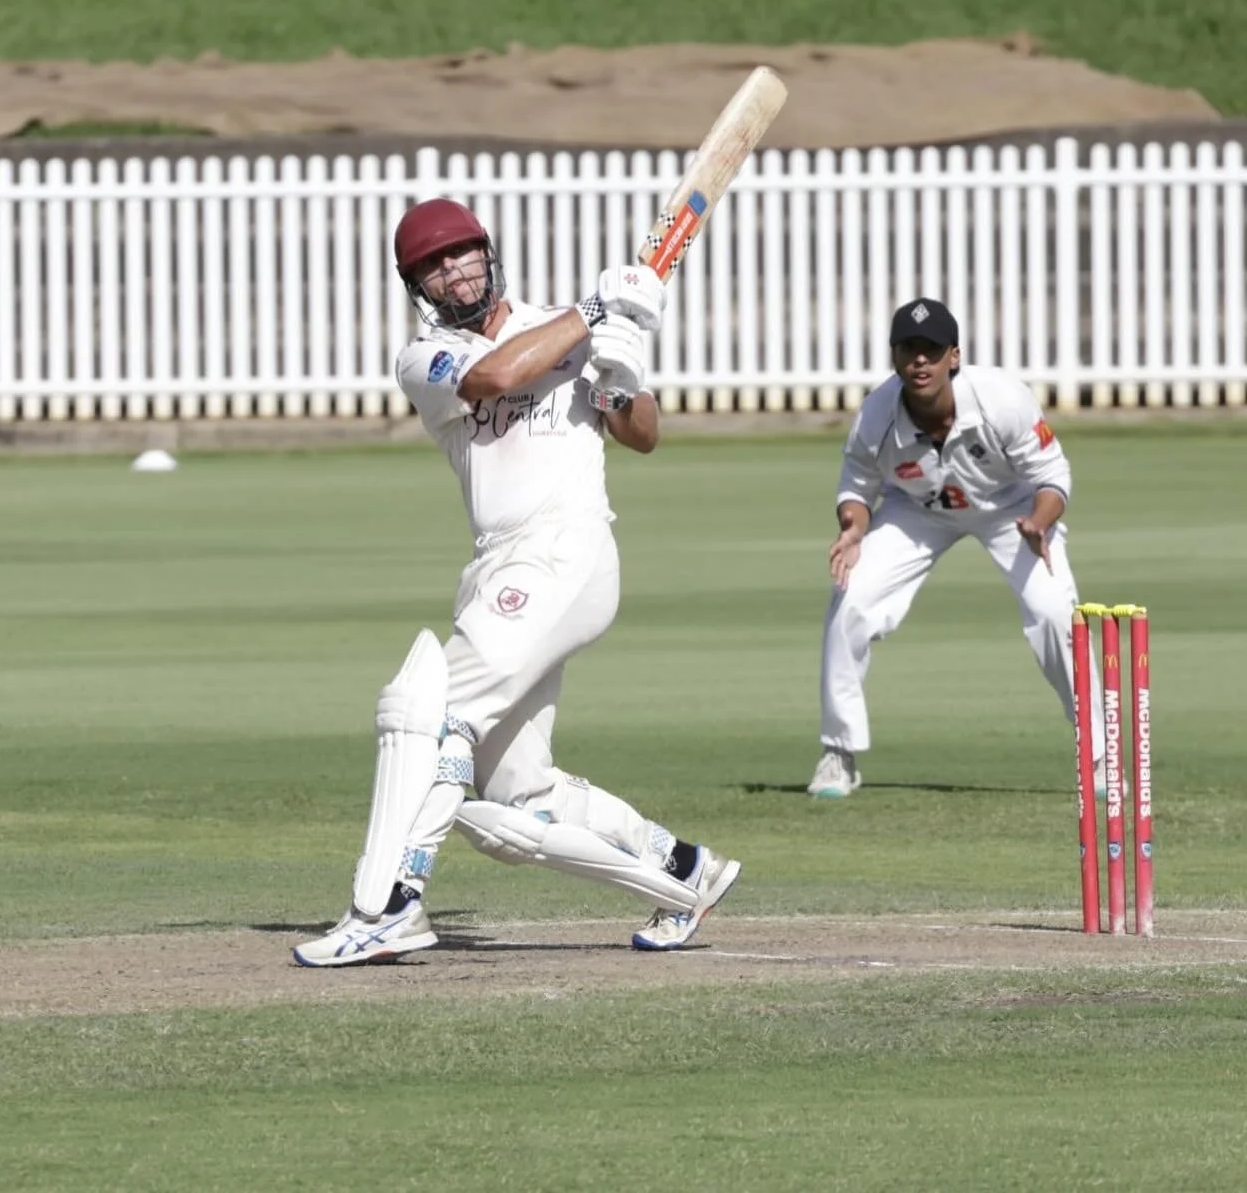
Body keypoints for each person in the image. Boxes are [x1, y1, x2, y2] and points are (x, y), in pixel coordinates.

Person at [294, 198, 740, 966]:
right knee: (517, 797)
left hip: (565, 551)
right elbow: (496, 376)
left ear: (488, 253)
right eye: (434, 264)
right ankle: (681, 869)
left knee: (431, 716)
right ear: (416, 285)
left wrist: (617, 383)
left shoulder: (567, 326)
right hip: (498, 566)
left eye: (463, 252)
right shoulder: (424, 358)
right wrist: (598, 309)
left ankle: (390, 902)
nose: (453, 271)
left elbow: (643, 436)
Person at [807, 296, 1102, 798]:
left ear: (954, 356)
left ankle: (1098, 755)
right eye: (909, 349)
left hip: (1013, 509)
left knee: (1054, 614)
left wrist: (1038, 522)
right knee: (851, 598)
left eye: (931, 350)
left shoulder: (1002, 399)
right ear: (895, 355)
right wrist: (853, 528)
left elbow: (1053, 475)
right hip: (917, 508)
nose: (920, 361)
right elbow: (857, 485)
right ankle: (839, 755)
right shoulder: (878, 413)